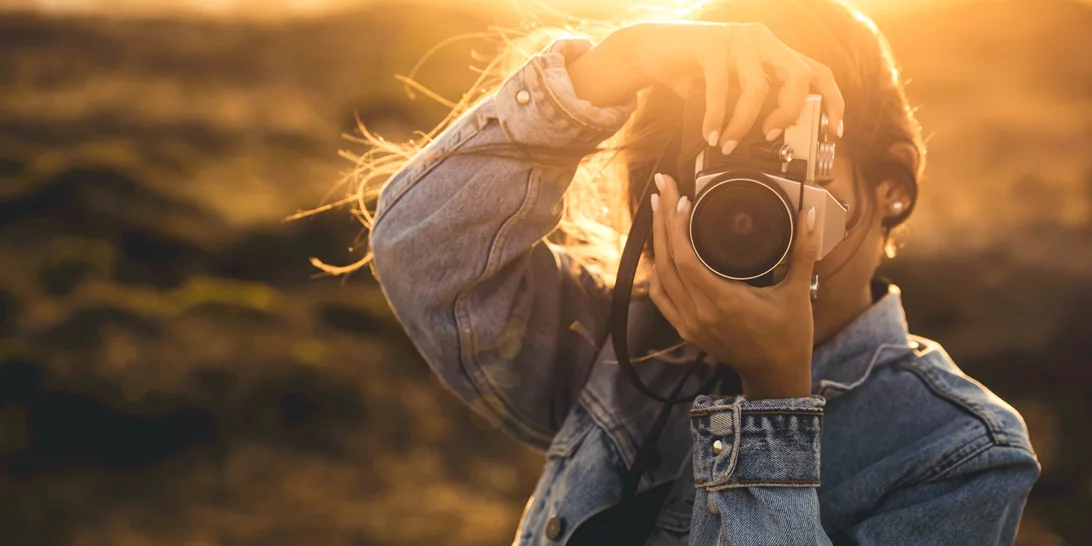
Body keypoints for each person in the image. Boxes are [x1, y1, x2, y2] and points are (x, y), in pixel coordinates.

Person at [357, 0, 1040, 543]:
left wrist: (775, 398)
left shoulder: (958, 453)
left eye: (789, 167)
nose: (748, 209)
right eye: (721, 176)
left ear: (892, 182)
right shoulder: (625, 345)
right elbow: (425, 251)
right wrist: (613, 67)